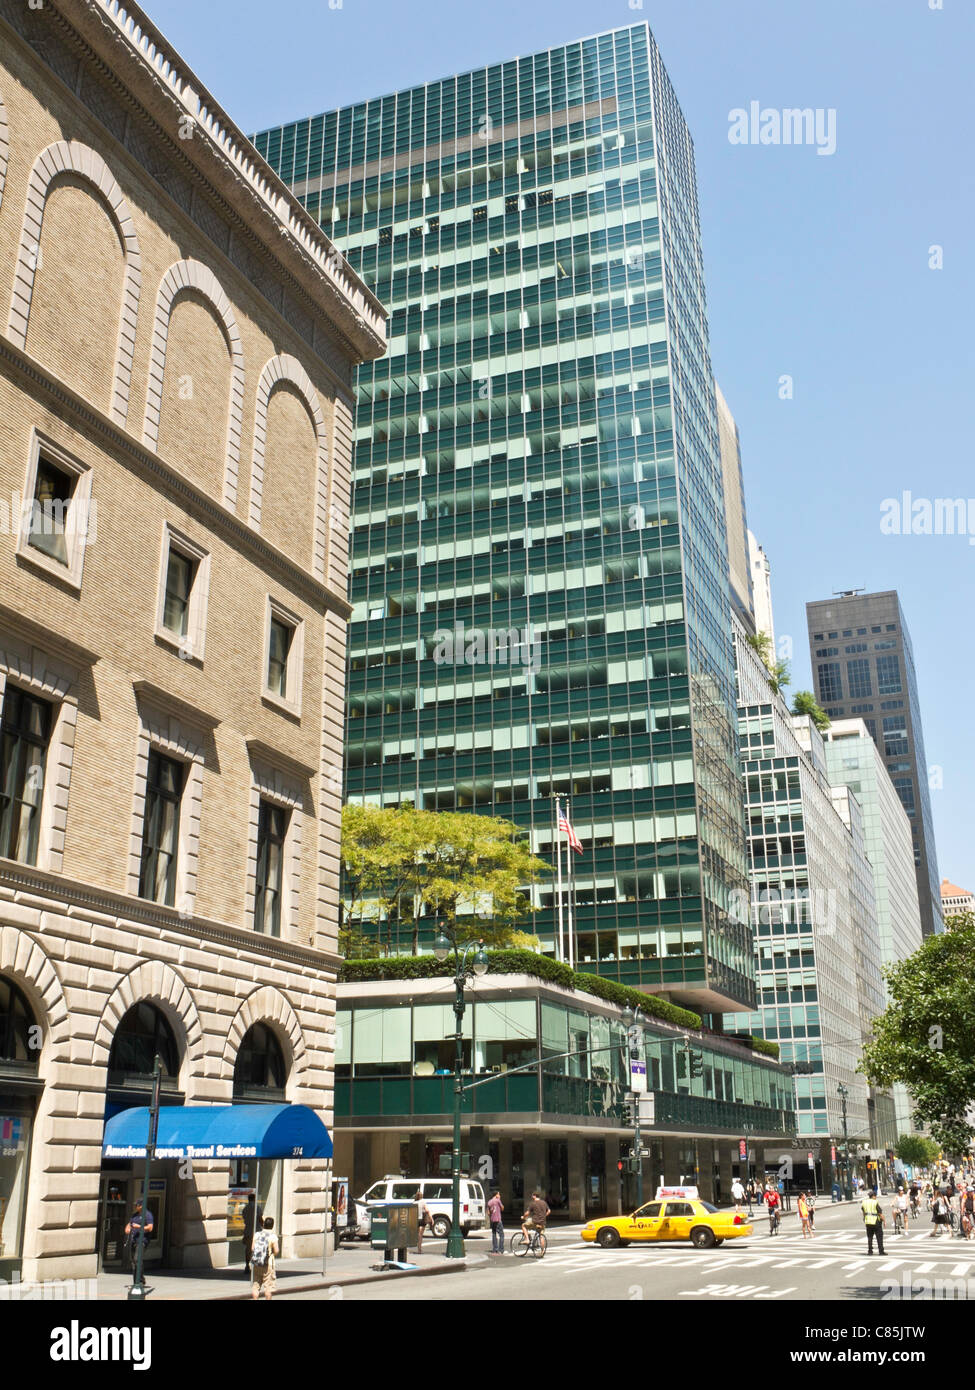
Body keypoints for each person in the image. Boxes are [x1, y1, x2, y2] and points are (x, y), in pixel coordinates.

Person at [250, 1216, 278, 1300]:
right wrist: (272, 1253)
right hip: (268, 1264)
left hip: (257, 1263)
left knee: (256, 1286)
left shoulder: (257, 1234)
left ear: (263, 1224)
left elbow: (252, 1248)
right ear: (272, 1225)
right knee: (268, 1287)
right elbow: (276, 1250)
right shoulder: (273, 1236)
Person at [124, 1200, 154, 1273]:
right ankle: (137, 1280)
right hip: (134, 1240)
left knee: (137, 1259)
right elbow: (129, 1224)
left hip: (142, 1241)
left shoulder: (148, 1215)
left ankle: (139, 1281)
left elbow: (150, 1228)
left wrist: (139, 1227)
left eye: (136, 1205)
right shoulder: (135, 1215)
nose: (135, 1206)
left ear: (141, 1206)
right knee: (133, 1261)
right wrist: (127, 1228)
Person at [861, 1188, 885, 1255]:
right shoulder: (875, 1202)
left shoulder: (864, 1202)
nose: (876, 1197)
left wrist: (864, 1218)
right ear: (873, 1196)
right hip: (876, 1221)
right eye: (875, 1196)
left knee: (870, 1237)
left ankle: (870, 1251)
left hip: (868, 1221)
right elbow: (880, 1213)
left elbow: (863, 1211)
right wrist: (884, 1220)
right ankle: (881, 1251)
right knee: (879, 1237)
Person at [487, 1189, 505, 1255]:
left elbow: (488, 1212)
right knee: (501, 1235)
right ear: (496, 1195)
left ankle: (495, 1249)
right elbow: (502, 1208)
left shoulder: (489, 1202)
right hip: (498, 1219)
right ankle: (501, 1249)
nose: (499, 1195)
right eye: (499, 1194)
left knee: (494, 1234)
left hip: (493, 1220)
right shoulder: (498, 1200)